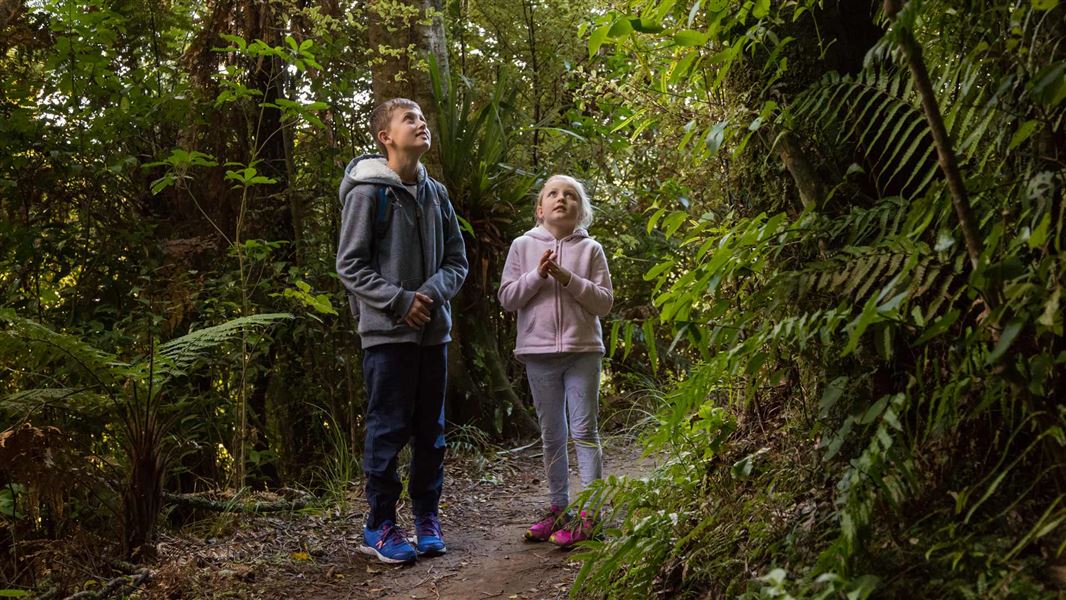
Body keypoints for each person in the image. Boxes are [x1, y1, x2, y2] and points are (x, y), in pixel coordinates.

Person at [336, 98, 468, 564]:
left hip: (433, 333)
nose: (421, 123)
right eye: (409, 119)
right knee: (388, 429)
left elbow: (458, 261)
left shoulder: (438, 194)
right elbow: (349, 264)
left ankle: (427, 518)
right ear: (385, 137)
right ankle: (379, 525)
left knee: (431, 431)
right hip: (386, 335)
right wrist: (400, 302)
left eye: (423, 118)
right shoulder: (367, 192)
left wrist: (427, 295)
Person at [497, 174, 614, 547]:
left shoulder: (591, 249)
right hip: (539, 353)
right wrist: (538, 274)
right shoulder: (522, 246)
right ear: (540, 209)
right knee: (552, 435)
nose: (561, 199)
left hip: (582, 351)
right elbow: (508, 298)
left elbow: (603, 303)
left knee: (584, 430)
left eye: (570, 195)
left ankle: (590, 513)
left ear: (581, 212)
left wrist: (566, 278)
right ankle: (557, 508)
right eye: (553, 193)